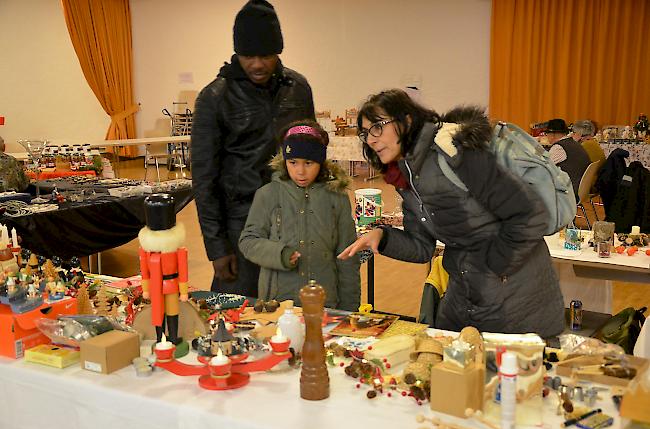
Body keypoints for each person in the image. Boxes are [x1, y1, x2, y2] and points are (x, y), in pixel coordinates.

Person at [338, 89, 564, 338]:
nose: (370, 139)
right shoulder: (407, 176)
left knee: (507, 373)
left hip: (516, 301)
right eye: (365, 133)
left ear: (407, 120)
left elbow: (529, 217)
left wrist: (492, 268)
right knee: (450, 369)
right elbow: (422, 246)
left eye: (378, 127)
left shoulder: (456, 151)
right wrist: (384, 237)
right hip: (463, 296)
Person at [191, 0, 315, 297]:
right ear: (236, 53)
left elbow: (313, 154)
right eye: (248, 55)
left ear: (278, 51)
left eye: (266, 55)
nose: (257, 64)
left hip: (293, 218)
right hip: (241, 224)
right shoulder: (215, 97)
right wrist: (217, 248)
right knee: (237, 310)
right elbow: (204, 179)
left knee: (291, 308)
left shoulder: (298, 88)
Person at [239, 121, 360, 311]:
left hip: (325, 302)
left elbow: (348, 256)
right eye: (293, 162)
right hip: (278, 304)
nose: (300, 171)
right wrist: (279, 254)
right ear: (284, 160)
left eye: (309, 163)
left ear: (320, 162)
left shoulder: (337, 198)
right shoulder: (268, 194)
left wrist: (349, 307)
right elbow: (248, 241)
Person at [138, 194, 189, 345]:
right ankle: (161, 338)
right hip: (156, 286)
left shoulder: (177, 250)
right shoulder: (146, 251)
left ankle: (172, 337)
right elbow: (144, 271)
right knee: (157, 312)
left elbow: (183, 270)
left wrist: (184, 291)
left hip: (171, 285)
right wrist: (145, 288)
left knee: (172, 311)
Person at [549, 120, 593, 197]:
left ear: (552, 134)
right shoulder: (574, 143)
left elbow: (544, 166)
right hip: (580, 188)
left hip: (569, 191)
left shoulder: (559, 147)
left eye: (547, 134)